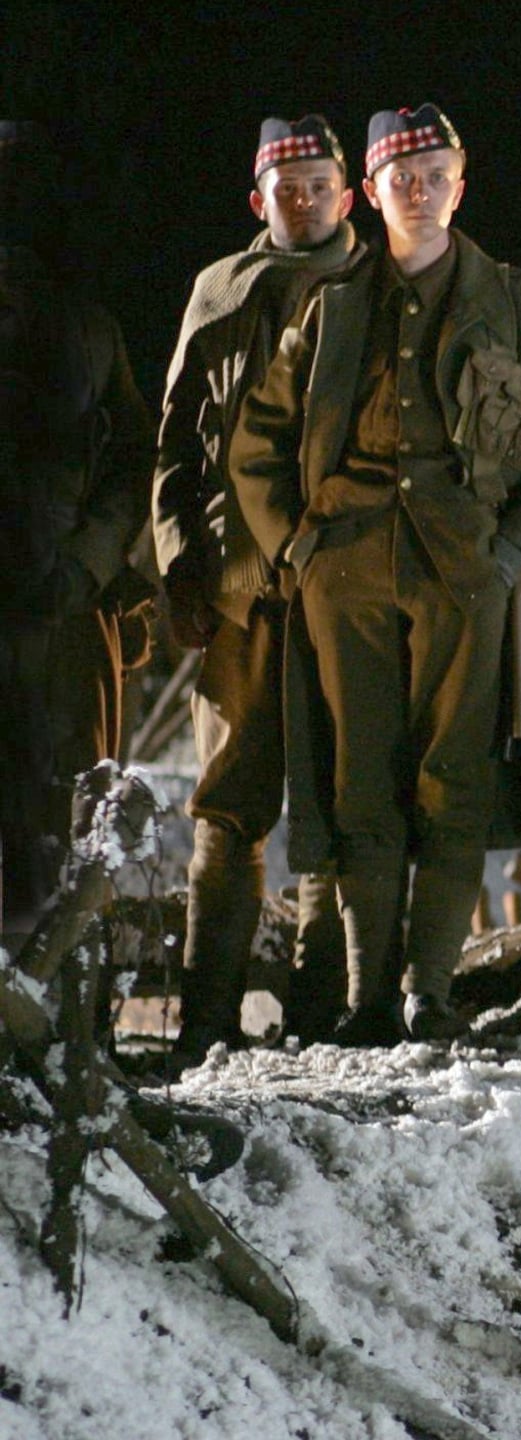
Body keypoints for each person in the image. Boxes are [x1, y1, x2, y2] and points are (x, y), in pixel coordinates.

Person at [227, 104, 521, 1043]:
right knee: (359, 778)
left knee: (455, 777)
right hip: (345, 571)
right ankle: (367, 999)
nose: (419, 191)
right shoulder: (332, 306)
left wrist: (517, 552)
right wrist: (295, 546)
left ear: (460, 185)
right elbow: (258, 440)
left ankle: (429, 994)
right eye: (400, 177)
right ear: (370, 191)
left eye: (435, 174)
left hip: (466, 570)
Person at [154, 116, 366, 1060]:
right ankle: (204, 1024)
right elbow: (175, 444)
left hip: (345, 593)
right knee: (228, 808)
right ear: (259, 200)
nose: (305, 201)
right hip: (237, 590)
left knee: (338, 806)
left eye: (320, 186)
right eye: (288, 188)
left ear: (347, 195)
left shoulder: (381, 289)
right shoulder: (218, 291)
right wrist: (176, 564)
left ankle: (323, 1022)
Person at [0, 118, 151, 938]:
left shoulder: (88, 330)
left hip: (63, 625)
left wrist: (89, 562)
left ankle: (64, 1004)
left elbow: (134, 461)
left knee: (67, 838)